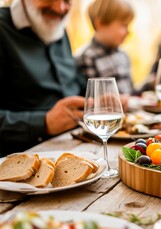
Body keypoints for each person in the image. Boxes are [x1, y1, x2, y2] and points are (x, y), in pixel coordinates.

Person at [0, 0, 86, 157]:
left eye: (67, 1)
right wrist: (44, 123)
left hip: (77, 146)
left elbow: (72, 81)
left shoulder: (60, 29)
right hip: (22, 159)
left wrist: (100, 98)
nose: (60, 8)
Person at [76, 0, 135, 95]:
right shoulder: (87, 57)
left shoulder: (123, 55)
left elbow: (131, 92)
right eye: (123, 25)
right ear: (100, 24)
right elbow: (92, 98)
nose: (128, 31)